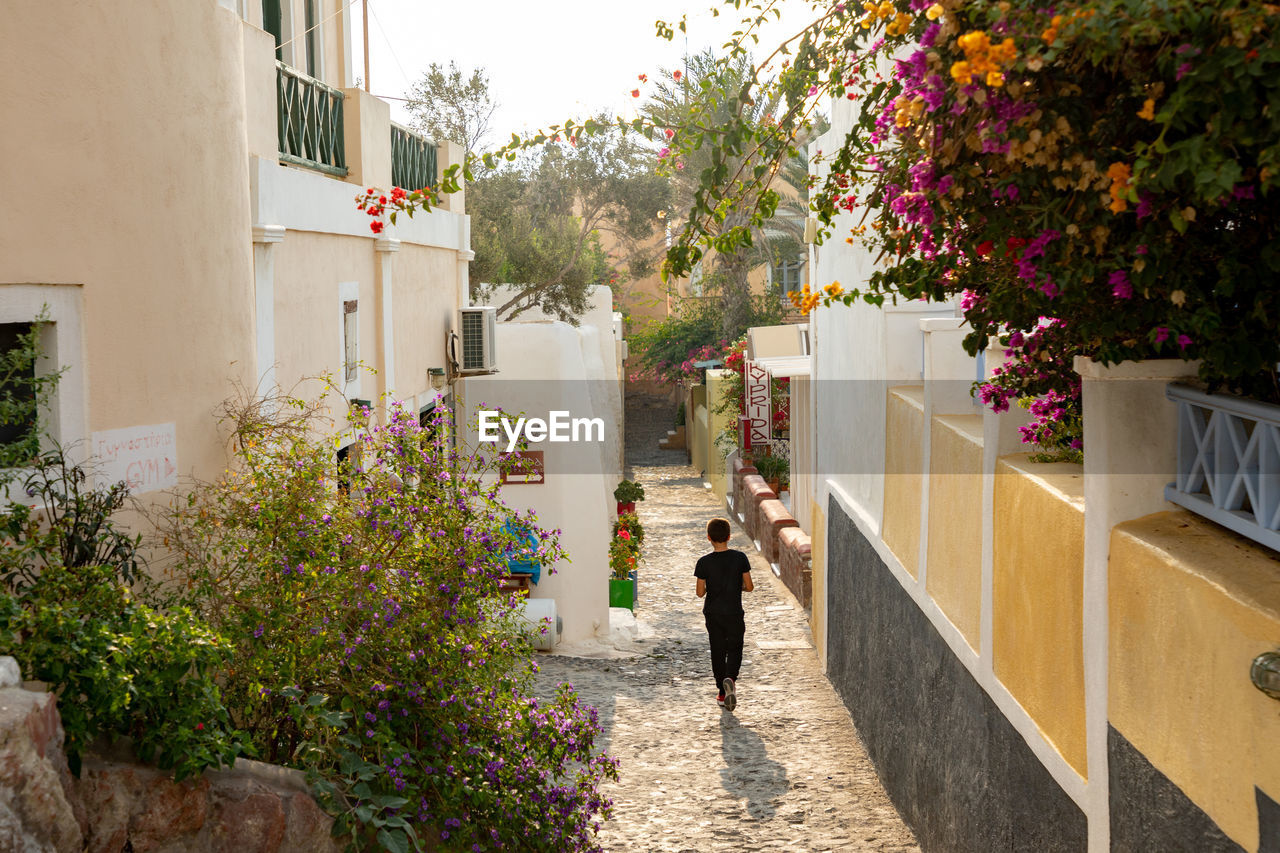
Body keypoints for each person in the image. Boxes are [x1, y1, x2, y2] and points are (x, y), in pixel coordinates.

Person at [694, 517, 753, 711]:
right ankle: (731, 678)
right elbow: (750, 586)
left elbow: (700, 592)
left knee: (718, 649)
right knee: (735, 647)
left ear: (708, 537)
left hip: (713, 613)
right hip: (734, 612)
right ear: (729, 536)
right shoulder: (740, 558)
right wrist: (739, 587)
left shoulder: (703, 563)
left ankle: (721, 690)